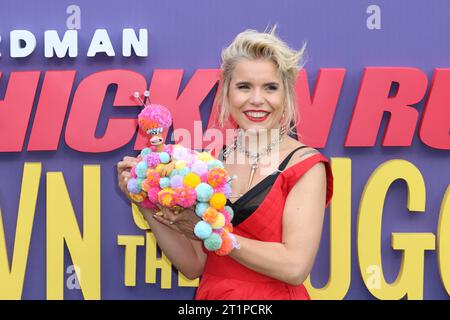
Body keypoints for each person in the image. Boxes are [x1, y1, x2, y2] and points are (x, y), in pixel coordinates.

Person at [117, 26, 333, 300]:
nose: (257, 100)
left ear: (286, 94)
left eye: (270, 87)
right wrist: (144, 199)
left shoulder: (306, 165)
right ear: (227, 92)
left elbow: (294, 267)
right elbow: (194, 265)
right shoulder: (210, 162)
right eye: (244, 87)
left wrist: (214, 235)